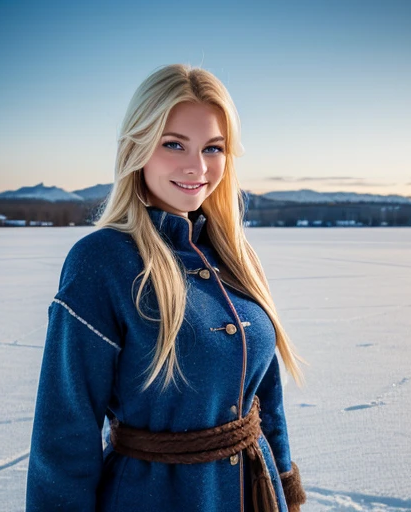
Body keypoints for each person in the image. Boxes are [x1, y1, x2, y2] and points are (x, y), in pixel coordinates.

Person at [26, 63, 307, 512]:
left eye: (213, 148)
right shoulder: (102, 262)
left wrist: (285, 487)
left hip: (253, 496)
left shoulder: (235, 255)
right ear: (137, 147)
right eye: (174, 144)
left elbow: (263, 394)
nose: (197, 167)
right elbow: (64, 434)